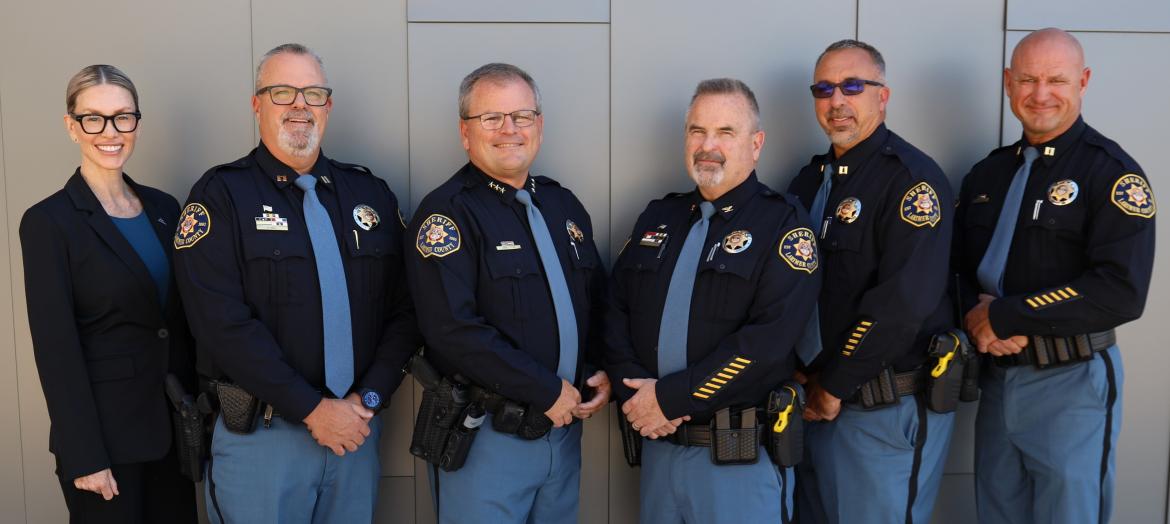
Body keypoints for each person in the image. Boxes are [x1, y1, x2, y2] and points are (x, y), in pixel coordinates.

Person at [172, 43, 419, 523]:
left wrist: (367, 399)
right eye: (282, 91)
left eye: (313, 93)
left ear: (328, 106)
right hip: (262, 443)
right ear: (257, 104)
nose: (299, 105)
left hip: (356, 436)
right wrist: (311, 408)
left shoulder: (370, 194)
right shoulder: (220, 195)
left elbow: (408, 309)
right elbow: (220, 323)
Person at [954, 28, 1155, 524]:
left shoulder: (1111, 174)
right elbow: (955, 269)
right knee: (998, 513)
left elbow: (1120, 291)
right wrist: (974, 317)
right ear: (1007, 82)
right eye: (1027, 79)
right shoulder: (987, 174)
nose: (1040, 94)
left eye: (1056, 80)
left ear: (1083, 81)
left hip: (1072, 382)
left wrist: (1003, 315)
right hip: (999, 381)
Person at [605, 78, 820, 523]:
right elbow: (614, 308)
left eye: (726, 132)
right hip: (659, 447)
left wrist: (669, 399)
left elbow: (766, 344)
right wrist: (636, 397)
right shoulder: (658, 216)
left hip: (737, 460)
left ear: (756, 144)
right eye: (697, 131)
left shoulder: (783, 224)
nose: (708, 146)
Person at [403, 62, 611, 523]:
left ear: (539, 124)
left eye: (522, 116)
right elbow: (451, 329)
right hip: (487, 438)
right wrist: (543, 389)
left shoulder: (562, 206)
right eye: (491, 118)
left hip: (563, 434)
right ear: (465, 132)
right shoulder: (446, 216)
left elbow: (592, 298)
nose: (509, 130)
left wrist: (598, 367)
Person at [19, 64, 197, 524]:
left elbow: (177, 321)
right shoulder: (48, 223)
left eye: (122, 116)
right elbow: (55, 349)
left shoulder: (163, 208)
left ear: (137, 122)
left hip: (172, 430)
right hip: (104, 445)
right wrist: (84, 456)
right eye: (93, 118)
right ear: (71, 126)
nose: (110, 131)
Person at [788, 40, 956, 523]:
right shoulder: (808, 182)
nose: (837, 100)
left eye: (853, 86)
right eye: (824, 89)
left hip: (881, 410)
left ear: (882, 96)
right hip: (813, 407)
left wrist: (834, 384)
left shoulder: (910, 181)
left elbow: (904, 301)